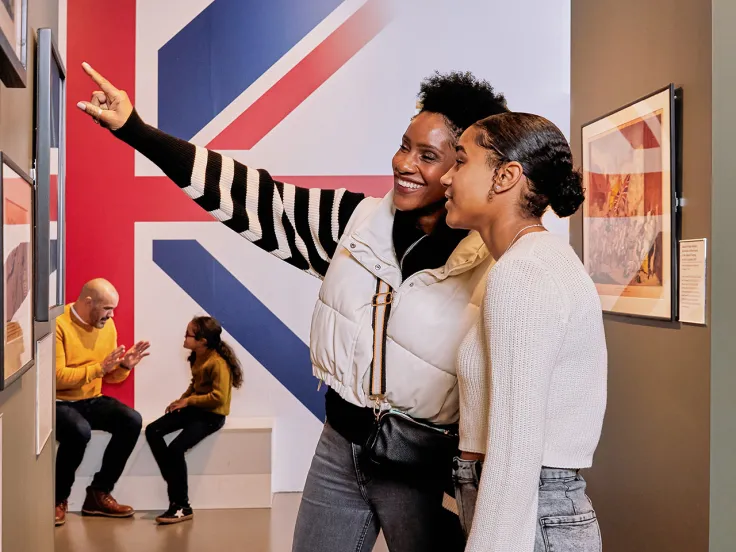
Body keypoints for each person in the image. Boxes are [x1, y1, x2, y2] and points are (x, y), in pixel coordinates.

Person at [77, 63, 508, 551]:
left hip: (426, 464)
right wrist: (136, 130)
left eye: (427, 155)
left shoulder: (490, 261)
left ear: (462, 166)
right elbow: (250, 196)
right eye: (404, 144)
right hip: (340, 448)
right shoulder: (354, 222)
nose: (404, 163)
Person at [440, 112, 608, 551]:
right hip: (529, 508)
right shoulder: (528, 262)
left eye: (461, 161)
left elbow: (516, 446)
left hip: (528, 512)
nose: (446, 177)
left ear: (506, 176)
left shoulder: (523, 274)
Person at [55, 279, 151, 526]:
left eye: (113, 309)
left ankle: (99, 493)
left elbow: (112, 375)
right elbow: (56, 377)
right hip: (59, 400)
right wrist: (98, 369)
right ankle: (57, 499)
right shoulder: (58, 323)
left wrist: (124, 366)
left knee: (131, 420)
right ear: (88, 302)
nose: (111, 315)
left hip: (91, 398)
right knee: (78, 431)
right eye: (107, 308)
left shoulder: (107, 326)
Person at [145, 316, 243, 524]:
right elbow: (196, 383)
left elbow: (219, 398)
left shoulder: (218, 363)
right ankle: (173, 475)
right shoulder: (197, 356)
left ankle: (181, 505)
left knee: (175, 450)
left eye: (188, 335)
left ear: (202, 341)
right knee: (153, 430)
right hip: (197, 409)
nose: (184, 338)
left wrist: (188, 401)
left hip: (212, 416)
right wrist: (182, 400)